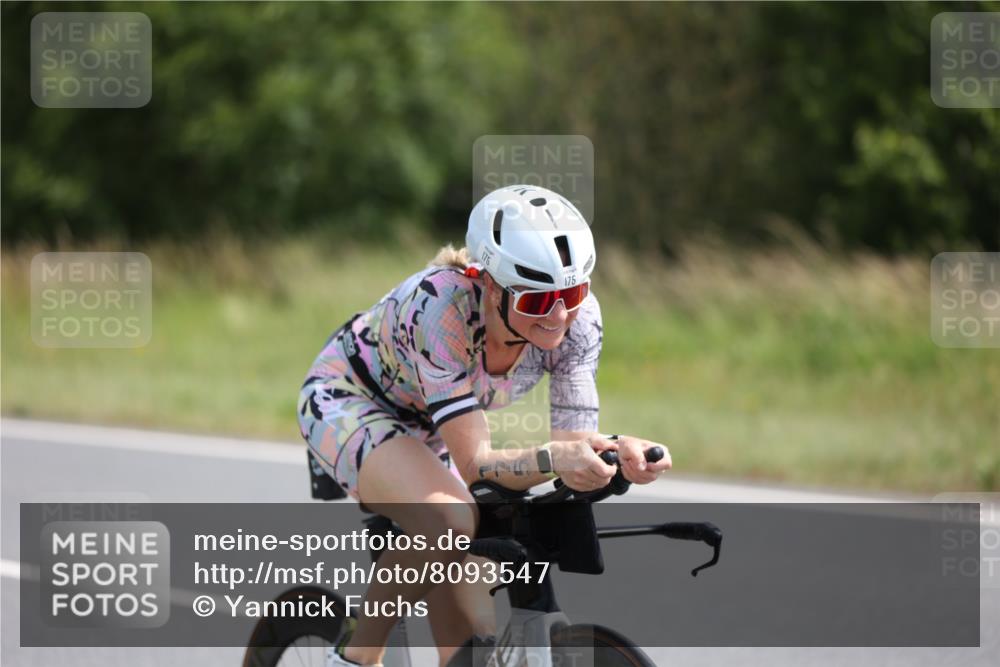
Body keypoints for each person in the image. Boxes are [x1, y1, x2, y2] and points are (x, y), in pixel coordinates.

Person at [297, 184, 672, 667]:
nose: (559, 316)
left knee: (474, 636)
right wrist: (557, 459)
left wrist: (617, 453)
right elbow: (476, 467)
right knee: (451, 521)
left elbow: (572, 449)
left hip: (432, 422)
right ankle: (353, 659)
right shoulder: (441, 306)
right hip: (348, 399)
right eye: (537, 302)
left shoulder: (578, 322)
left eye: (573, 292)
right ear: (490, 285)